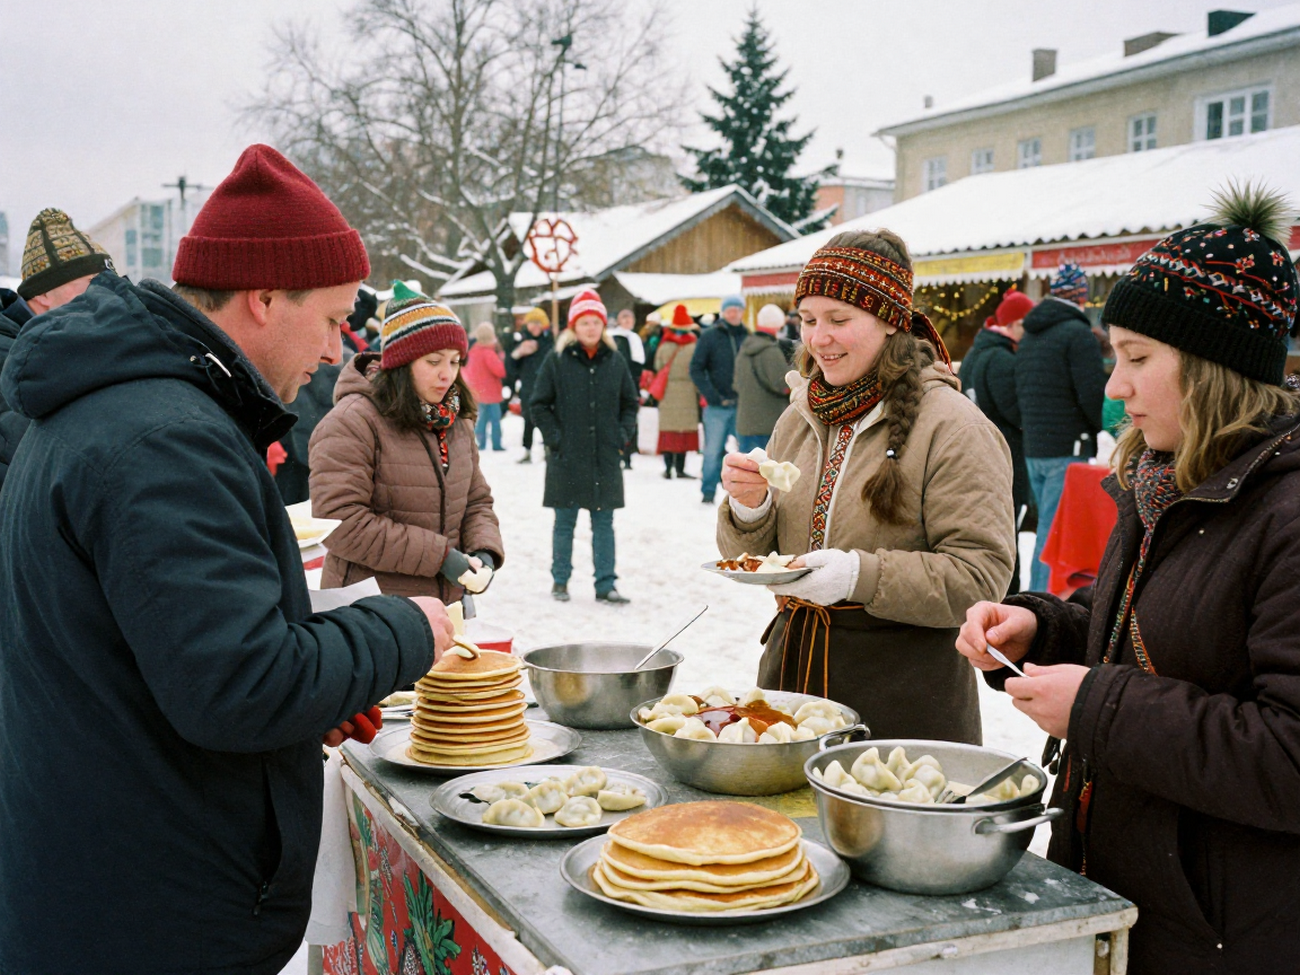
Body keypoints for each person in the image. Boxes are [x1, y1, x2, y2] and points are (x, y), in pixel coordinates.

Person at [0, 145, 455, 975]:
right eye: (329, 319)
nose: (335, 349)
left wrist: (310, 693)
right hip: (143, 920)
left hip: (110, 884)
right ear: (265, 297)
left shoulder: (131, 409)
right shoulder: (163, 436)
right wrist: (403, 627)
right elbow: (236, 685)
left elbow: (160, 655)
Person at [957, 186, 1300, 974]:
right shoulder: (1165, 479)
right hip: (1129, 894)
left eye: (1138, 358)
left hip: (1225, 931)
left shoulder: (1284, 514)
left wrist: (1096, 707)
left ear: (1216, 370)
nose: (1115, 386)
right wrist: (1042, 626)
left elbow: (1289, 755)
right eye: (1115, 356)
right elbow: (1148, 635)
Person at [718, 230, 1015, 743]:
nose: (818, 338)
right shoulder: (800, 415)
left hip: (902, 700)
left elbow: (980, 578)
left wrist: (860, 575)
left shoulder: (954, 427)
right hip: (792, 684)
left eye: (839, 320)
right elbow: (754, 556)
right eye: (808, 320)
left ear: (890, 323)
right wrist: (750, 508)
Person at [309, 285, 504, 600]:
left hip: (447, 609)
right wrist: (438, 557)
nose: (447, 375)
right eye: (434, 361)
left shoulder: (455, 421)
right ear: (401, 362)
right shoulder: (353, 421)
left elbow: (476, 501)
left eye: (455, 362)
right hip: (370, 612)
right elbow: (339, 522)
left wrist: (484, 550)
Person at [531, 288, 638, 604]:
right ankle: (560, 580)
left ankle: (606, 584)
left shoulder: (616, 361)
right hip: (567, 458)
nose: (591, 328)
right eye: (584, 322)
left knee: (604, 523)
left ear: (603, 326)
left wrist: (620, 437)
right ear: (573, 327)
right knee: (564, 523)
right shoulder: (557, 360)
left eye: (596, 322)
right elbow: (538, 405)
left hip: (604, 456)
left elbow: (630, 403)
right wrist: (555, 440)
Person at [0, 207, 113, 490]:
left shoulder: (59, 351)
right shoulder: (14, 363)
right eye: (91, 283)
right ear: (43, 293)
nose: (107, 295)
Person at [1016, 261, 1107, 590]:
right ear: (1081, 296)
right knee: (1054, 535)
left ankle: (1041, 599)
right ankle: (1040, 606)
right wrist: (1102, 429)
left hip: (1035, 446)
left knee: (1046, 530)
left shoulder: (1030, 334)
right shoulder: (1077, 334)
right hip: (1067, 447)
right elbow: (1091, 392)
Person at [961, 288, 1035, 594]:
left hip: (972, 457)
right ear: (1015, 324)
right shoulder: (1001, 358)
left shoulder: (975, 353)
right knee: (1006, 532)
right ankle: (1009, 597)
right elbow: (1015, 411)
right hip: (1005, 457)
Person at [691, 293, 749, 503]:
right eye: (730, 310)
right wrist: (712, 395)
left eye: (737, 310)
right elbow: (696, 369)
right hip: (717, 406)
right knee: (712, 452)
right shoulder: (710, 336)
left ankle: (745, 494)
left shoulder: (747, 336)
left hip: (742, 405)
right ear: (723, 313)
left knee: (746, 453)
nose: (734, 314)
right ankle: (707, 492)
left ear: (742, 312)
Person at [734, 302, 792, 454]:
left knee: (748, 472)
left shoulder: (744, 349)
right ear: (778, 326)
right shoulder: (770, 351)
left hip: (745, 423)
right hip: (768, 424)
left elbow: (736, 383)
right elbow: (783, 383)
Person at [654, 303, 701, 479]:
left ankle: (668, 469)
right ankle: (680, 469)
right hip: (688, 392)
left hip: (667, 392)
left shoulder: (664, 346)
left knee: (668, 432)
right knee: (683, 433)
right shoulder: (694, 345)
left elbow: (658, 366)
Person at [506, 306, 554, 463]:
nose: (535, 326)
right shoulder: (521, 341)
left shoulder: (549, 342)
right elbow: (510, 367)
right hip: (528, 388)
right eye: (532, 323)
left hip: (547, 388)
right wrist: (518, 353)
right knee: (528, 420)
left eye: (538, 323)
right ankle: (527, 450)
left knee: (547, 419)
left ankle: (549, 448)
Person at [609, 308, 646, 470]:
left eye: (629, 318)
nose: (627, 321)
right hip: (613, 383)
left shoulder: (635, 338)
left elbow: (639, 363)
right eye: (623, 317)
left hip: (631, 383)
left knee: (629, 419)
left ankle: (628, 453)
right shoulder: (612, 336)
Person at [464, 321, 507, 451]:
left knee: (481, 419)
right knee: (495, 420)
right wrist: (501, 357)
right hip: (492, 393)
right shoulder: (489, 353)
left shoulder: (473, 352)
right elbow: (500, 371)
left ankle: (480, 443)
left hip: (478, 392)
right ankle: (496, 444)